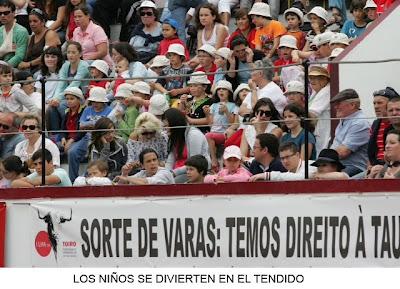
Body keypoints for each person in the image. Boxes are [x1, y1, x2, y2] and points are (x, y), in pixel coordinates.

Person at [48, 41, 89, 134]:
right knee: (52, 107)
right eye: (69, 52)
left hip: (82, 97)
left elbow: (74, 84)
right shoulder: (65, 65)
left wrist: (58, 99)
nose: (70, 55)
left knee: (61, 105)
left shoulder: (84, 66)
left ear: (80, 54)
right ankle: (56, 134)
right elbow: (61, 84)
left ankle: (70, 130)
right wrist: (55, 99)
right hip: (69, 96)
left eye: (73, 52)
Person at [163, 108, 211, 183]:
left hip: (194, 172)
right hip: (177, 171)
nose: (165, 130)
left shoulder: (193, 135)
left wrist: (173, 173)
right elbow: (170, 160)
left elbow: (194, 163)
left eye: (167, 127)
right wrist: (166, 172)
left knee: (171, 183)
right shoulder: (175, 137)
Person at [330, 89, 370, 177]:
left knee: (325, 177)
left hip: (355, 167)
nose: (335, 107)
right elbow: (335, 148)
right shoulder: (345, 120)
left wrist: (325, 158)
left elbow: (343, 152)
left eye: (339, 103)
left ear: (352, 105)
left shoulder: (359, 123)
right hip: (341, 165)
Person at [205, 80, 237, 172]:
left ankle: (214, 160)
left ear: (229, 92)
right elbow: (210, 123)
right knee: (209, 135)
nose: (221, 91)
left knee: (208, 135)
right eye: (219, 89)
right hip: (214, 132)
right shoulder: (213, 105)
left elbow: (233, 123)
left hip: (225, 133)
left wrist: (226, 111)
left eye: (224, 89)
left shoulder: (233, 106)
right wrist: (207, 114)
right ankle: (214, 160)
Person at [58, 87, 88, 182]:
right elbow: (63, 128)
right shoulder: (67, 112)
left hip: (79, 139)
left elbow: (82, 131)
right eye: (67, 99)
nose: (69, 101)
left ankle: (72, 180)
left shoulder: (84, 111)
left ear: (79, 100)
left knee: (72, 152)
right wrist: (63, 138)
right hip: (68, 139)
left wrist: (71, 141)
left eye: (72, 99)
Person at [17, 8, 60, 73]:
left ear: (43, 22)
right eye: (30, 21)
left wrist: (28, 64)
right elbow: (26, 56)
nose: (32, 24)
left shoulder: (50, 34)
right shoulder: (31, 37)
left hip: (46, 69)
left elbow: (47, 57)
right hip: (31, 69)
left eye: (35, 21)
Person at [368, 87, 398, 166]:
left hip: (390, 165)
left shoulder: (396, 124)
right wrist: (369, 167)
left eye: (380, 103)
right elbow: (370, 150)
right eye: (374, 103)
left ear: (389, 104)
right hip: (375, 165)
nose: (376, 106)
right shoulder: (375, 124)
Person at [308, 66, 331, 155]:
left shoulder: (326, 91)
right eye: (311, 78)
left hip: (324, 129)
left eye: (316, 78)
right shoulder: (316, 91)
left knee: (320, 153)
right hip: (317, 129)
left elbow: (312, 114)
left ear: (324, 79)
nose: (312, 81)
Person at [0, 1, 29, 68]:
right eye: (0, 13)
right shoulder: (0, 30)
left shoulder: (21, 31)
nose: (2, 16)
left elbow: (19, 56)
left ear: (14, 13)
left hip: (13, 68)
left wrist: (3, 68)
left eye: (6, 13)